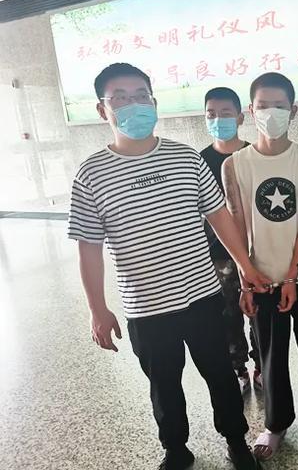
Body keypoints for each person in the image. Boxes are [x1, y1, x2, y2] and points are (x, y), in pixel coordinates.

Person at [67, 63, 267, 470]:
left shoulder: (185, 158)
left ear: (154, 103)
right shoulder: (91, 174)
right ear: (103, 110)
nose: (133, 104)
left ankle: (236, 440)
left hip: (202, 296)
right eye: (120, 98)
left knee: (220, 374)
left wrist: (246, 267)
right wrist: (97, 309)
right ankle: (176, 449)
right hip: (146, 307)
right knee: (164, 384)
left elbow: (219, 217)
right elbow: (88, 248)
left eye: (141, 95)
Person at [221, 72, 298, 461]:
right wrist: (245, 280)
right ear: (250, 110)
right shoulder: (234, 165)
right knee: (271, 357)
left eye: (279, 105)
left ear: (293, 110)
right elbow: (237, 225)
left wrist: (292, 273)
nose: (270, 112)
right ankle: (275, 424)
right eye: (263, 106)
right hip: (260, 279)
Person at [200, 86, 262, 394]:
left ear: (240, 117)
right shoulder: (198, 162)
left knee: (259, 311)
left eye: (225, 113)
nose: (218, 119)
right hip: (217, 255)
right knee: (226, 315)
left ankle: (262, 366)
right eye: (211, 114)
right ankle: (238, 369)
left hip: (256, 251)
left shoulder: (254, 156)